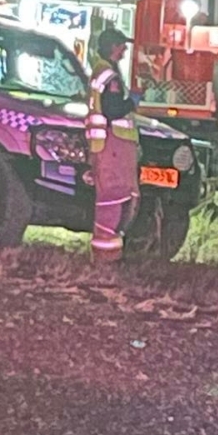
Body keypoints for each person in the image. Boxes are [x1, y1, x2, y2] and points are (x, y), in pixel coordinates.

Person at [84, 28, 140, 262]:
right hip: (113, 145)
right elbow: (113, 110)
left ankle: (107, 254)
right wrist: (132, 101)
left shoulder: (100, 72)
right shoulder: (109, 76)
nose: (125, 51)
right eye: (122, 46)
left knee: (110, 198)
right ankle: (106, 257)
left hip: (105, 145)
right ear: (113, 47)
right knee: (115, 199)